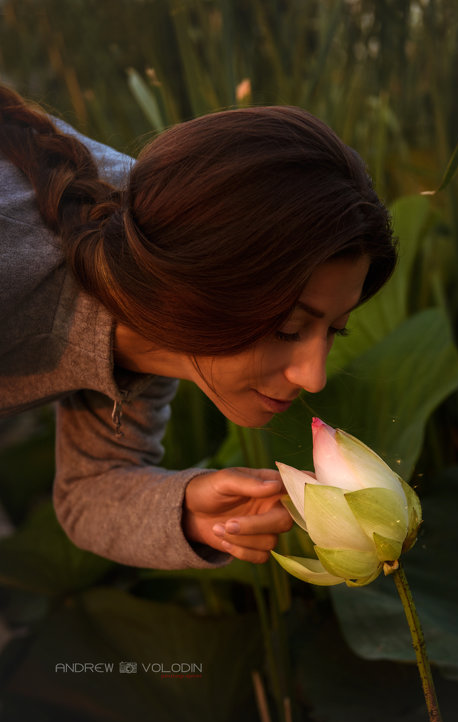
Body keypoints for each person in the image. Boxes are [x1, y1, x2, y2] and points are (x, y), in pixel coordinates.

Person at [0, 84, 396, 570]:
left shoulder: (163, 296)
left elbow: (89, 489)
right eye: (290, 330)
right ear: (195, 291)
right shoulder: (18, 255)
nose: (313, 377)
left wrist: (187, 509)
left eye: (338, 329)